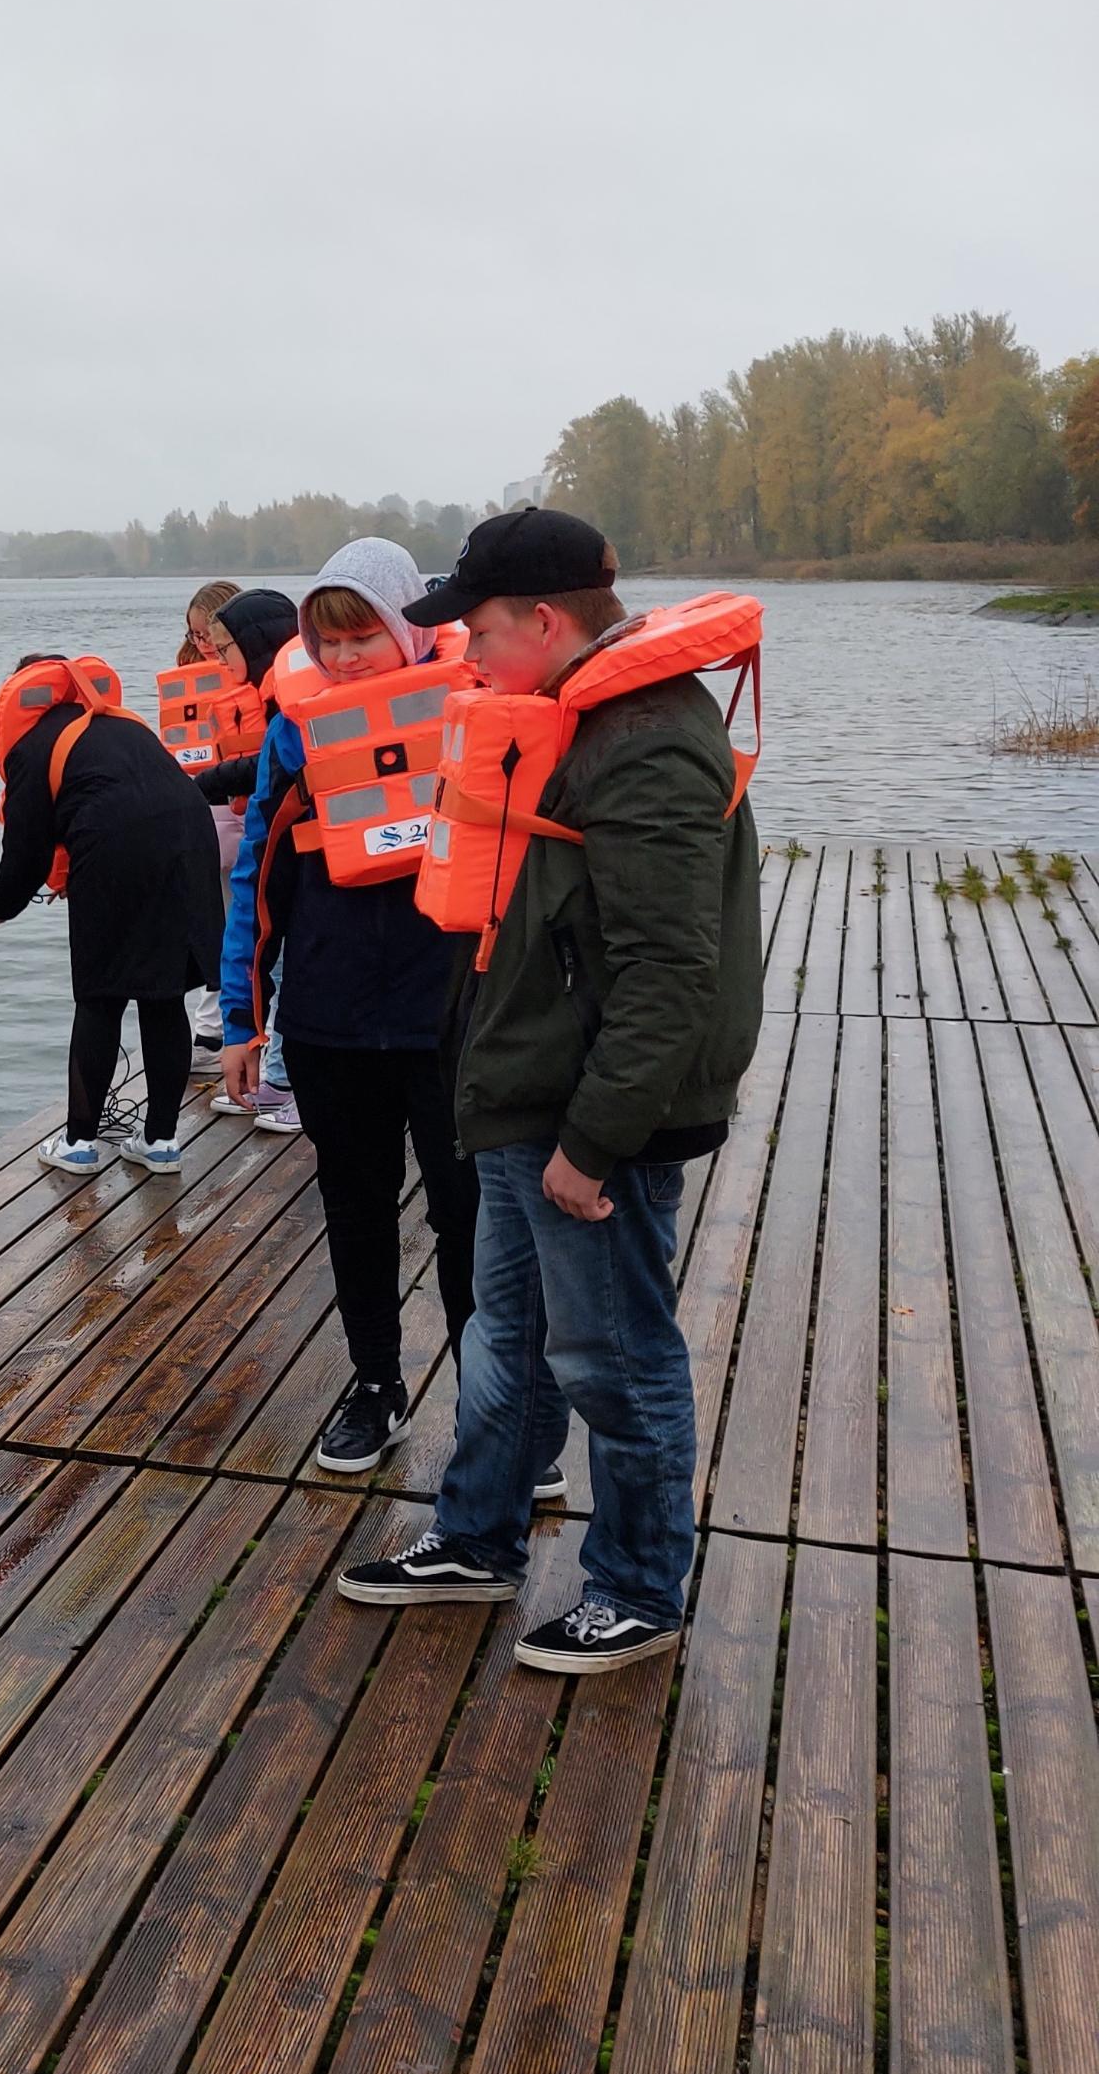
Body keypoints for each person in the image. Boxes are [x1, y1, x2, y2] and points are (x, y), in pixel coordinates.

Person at [339, 508, 763, 1670]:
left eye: (477, 630)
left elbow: (670, 971)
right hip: (535, 1094)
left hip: (596, 1120)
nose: (467, 655)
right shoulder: (575, 716)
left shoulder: (647, 741)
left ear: (541, 619)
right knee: (510, 1337)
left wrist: (594, 1142)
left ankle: (639, 1588)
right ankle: (479, 1538)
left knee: (615, 1357)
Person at [217, 540, 483, 1472]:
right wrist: (243, 1020)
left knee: (468, 1216)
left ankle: (492, 1405)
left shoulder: (473, 711)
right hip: (329, 1019)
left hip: (447, 1015)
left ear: (406, 629)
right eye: (324, 641)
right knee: (356, 1210)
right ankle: (376, 1386)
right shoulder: (294, 736)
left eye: (360, 636)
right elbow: (255, 883)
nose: (341, 659)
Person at [0, 652, 227, 1180]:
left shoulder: (32, 744)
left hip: (119, 848)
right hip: (191, 836)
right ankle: (161, 1141)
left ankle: (78, 1143)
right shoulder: (121, 723)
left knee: (99, 998)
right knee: (164, 995)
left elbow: (24, 850)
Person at [177, 585, 300, 1096]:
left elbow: (266, 767)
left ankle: (280, 1079)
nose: (218, 656)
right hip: (264, 835)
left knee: (282, 956)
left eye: (224, 645)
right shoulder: (272, 693)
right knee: (259, 943)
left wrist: (203, 783)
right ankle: (269, 1066)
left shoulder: (288, 702)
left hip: (288, 846)